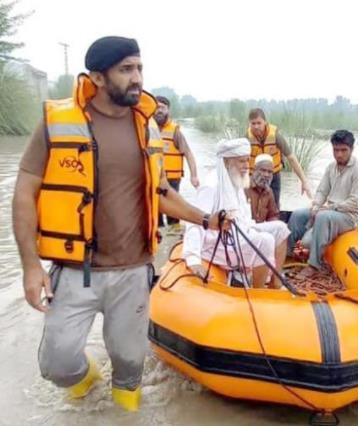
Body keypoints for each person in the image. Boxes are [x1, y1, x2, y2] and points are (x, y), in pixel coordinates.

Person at [12, 36, 226, 412]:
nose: (137, 77)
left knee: (130, 366)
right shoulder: (57, 122)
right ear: (97, 76)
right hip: (77, 269)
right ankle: (87, 385)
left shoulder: (147, 128)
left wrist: (206, 220)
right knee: (56, 364)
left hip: (133, 271)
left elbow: (160, 193)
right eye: (126, 69)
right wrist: (31, 266)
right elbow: (24, 191)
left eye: (140, 67)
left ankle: (124, 419)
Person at [182, 138, 290, 289]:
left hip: (241, 231)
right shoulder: (211, 186)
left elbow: (243, 218)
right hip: (215, 244)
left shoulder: (236, 180)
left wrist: (252, 229)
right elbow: (195, 222)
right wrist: (193, 259)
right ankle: (258, 292)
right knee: (265, 241)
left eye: (247, 161)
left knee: (281, 229)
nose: (247, 166)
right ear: (226, 162)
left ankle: (275, 283)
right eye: (241, 161)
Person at [288, 130, 358, 278]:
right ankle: (289, 255)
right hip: (329, 211)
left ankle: (314, 265)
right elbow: (322, 191)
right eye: (336, 150)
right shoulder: (331, 167)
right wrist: (316, 206)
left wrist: (330, 208)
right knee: (297, 214)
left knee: (324, 217)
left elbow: (356, 202)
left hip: (349, 216)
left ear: (352, 149)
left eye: (343, 150)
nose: (339, 154)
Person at [246, 108, 312, 207]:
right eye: (253, 123)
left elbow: (291, 158)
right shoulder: (246, 138)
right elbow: (239, 161)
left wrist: (304, 181)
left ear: (265, 122)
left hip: (273, 176)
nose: (256, 127)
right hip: (254, 177)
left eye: (259, 123)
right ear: (249, 124)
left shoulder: (276, 136)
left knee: (274, 205)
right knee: (253, 206)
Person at [154, 95, 200, 233]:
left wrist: (194, 176)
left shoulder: (175, 132)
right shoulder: (147, 128)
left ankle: (174, 242)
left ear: (168, 110)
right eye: (156, 107)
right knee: (155, 213)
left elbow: (188, 154)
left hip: (172, 180)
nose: (159, 110)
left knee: (173, 213)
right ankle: (160, 245)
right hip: (153, 180)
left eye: (162, 107)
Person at [245, 154, 280, 223]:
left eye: (269, 172)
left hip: (261, 229)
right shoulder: (244, 187)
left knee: (281, 227)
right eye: (263, 170)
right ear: (255, 169)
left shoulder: (269, 192)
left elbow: (272, 216)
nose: (266, 175)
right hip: (245, 227)